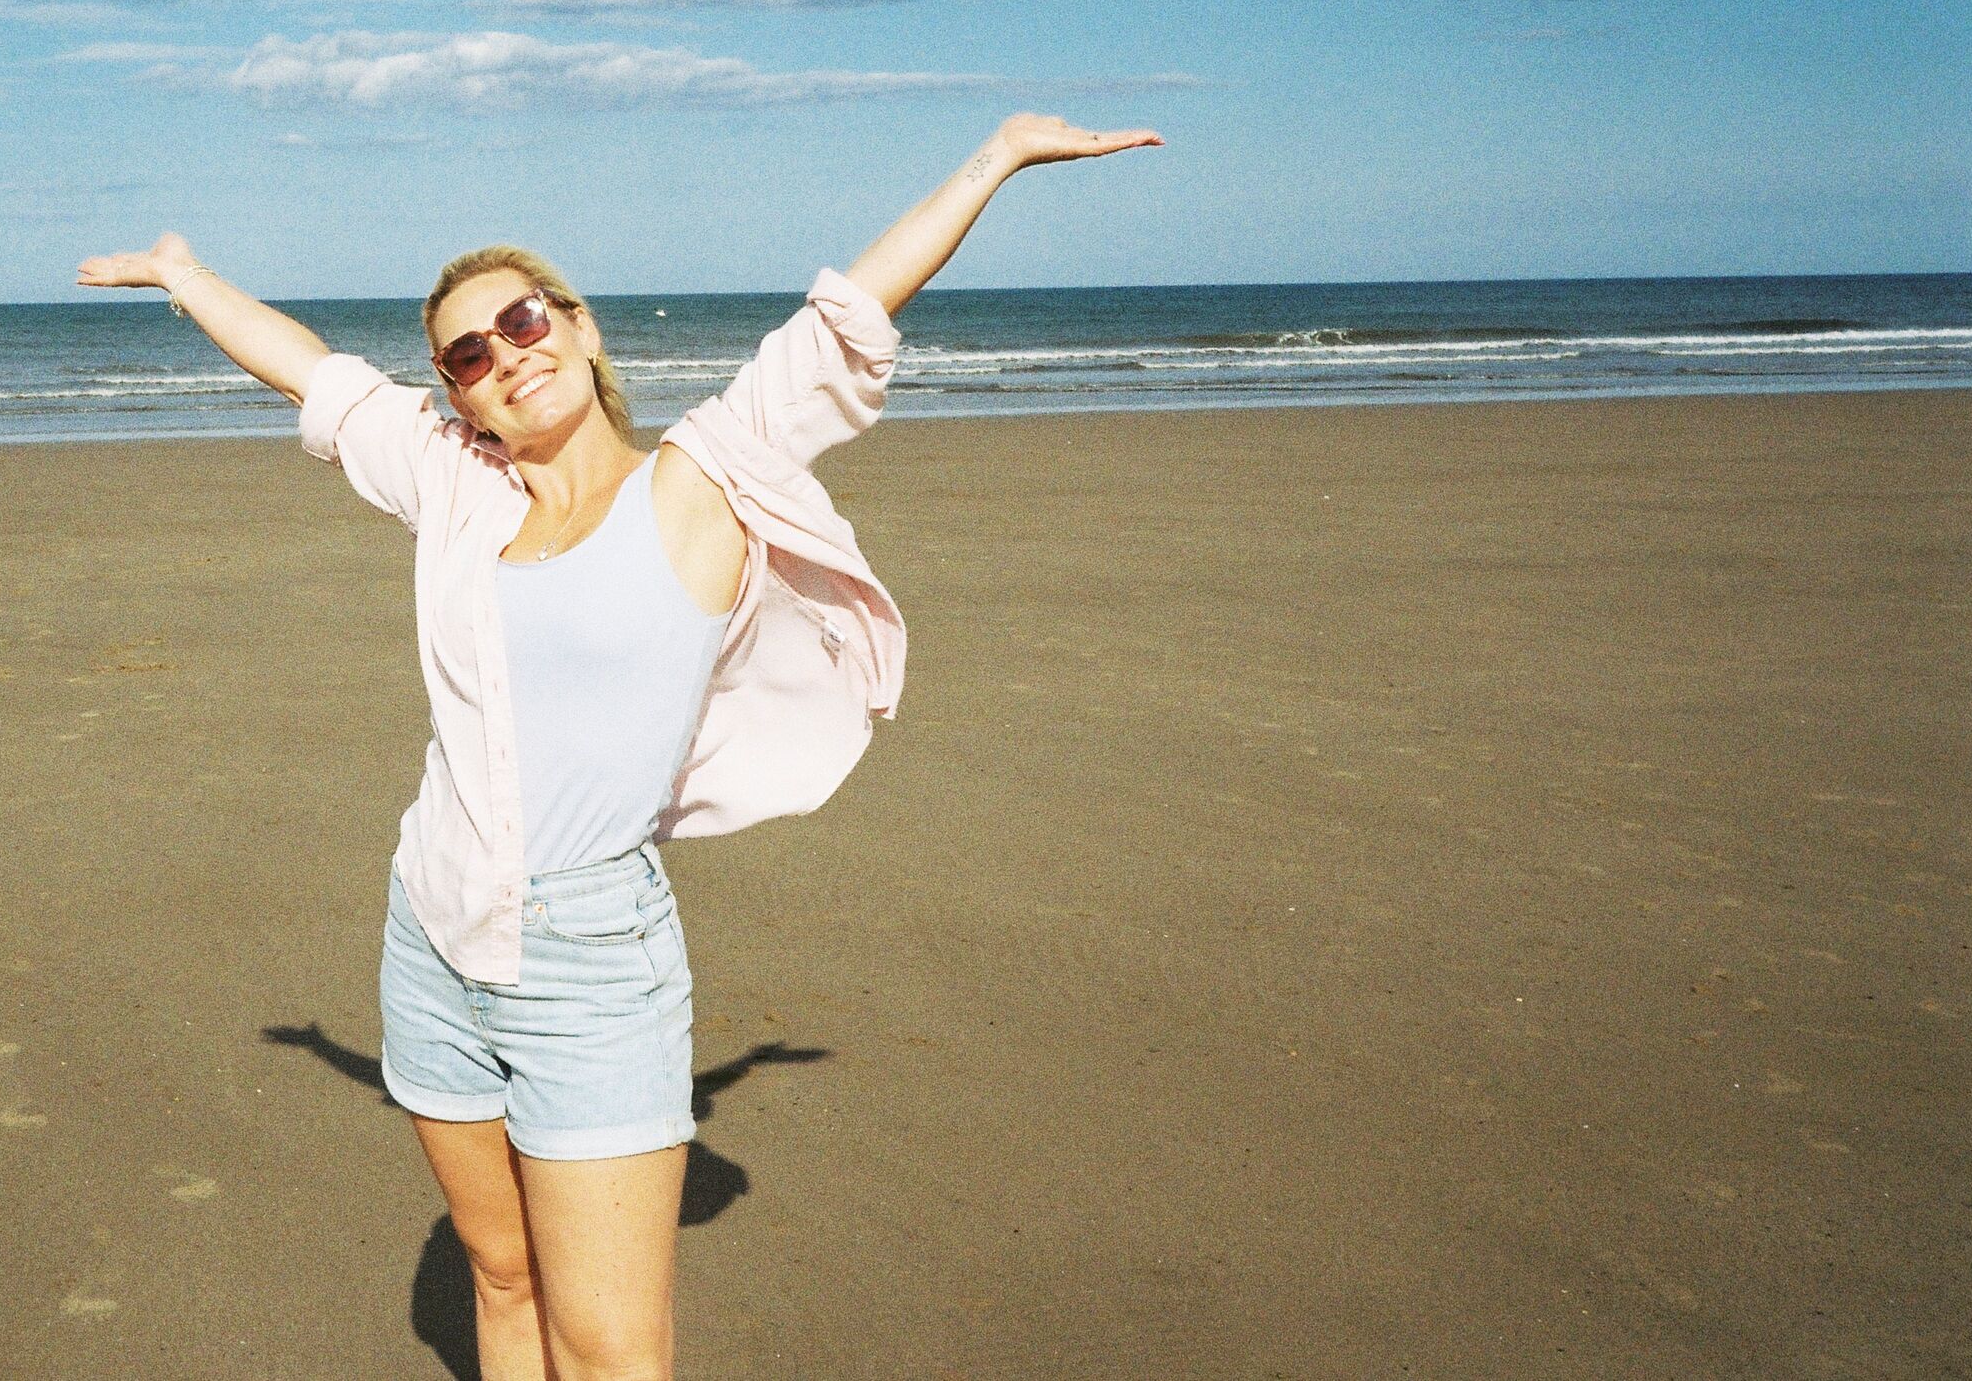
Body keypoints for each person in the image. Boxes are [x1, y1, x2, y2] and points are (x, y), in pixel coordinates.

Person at [77, 112, 1161, 1380]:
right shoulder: (453, 487)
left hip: (590, 960)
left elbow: (844, 320)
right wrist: (184, 275)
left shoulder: (697, 482)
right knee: (500, 1276)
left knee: (608, 1351)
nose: (505, 358)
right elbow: (317, 376)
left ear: (581, 326)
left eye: (524, 322)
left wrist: (999, 159)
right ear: (456, 393)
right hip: (429, 930)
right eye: (470, 355)